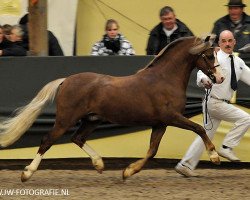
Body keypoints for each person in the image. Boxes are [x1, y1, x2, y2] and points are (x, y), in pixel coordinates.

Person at [175, 30, 250, 177]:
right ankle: (227, 146)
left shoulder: (239, 62)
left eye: (230, 41)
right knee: (246, 119)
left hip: (217, 104)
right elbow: (201, 73)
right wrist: (204, 80)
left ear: (234, 42)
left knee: (206, 135)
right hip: (214, 103)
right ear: (220, 43)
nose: (227, 44)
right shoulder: (215, 57)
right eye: (224, 41)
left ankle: (185, 165)